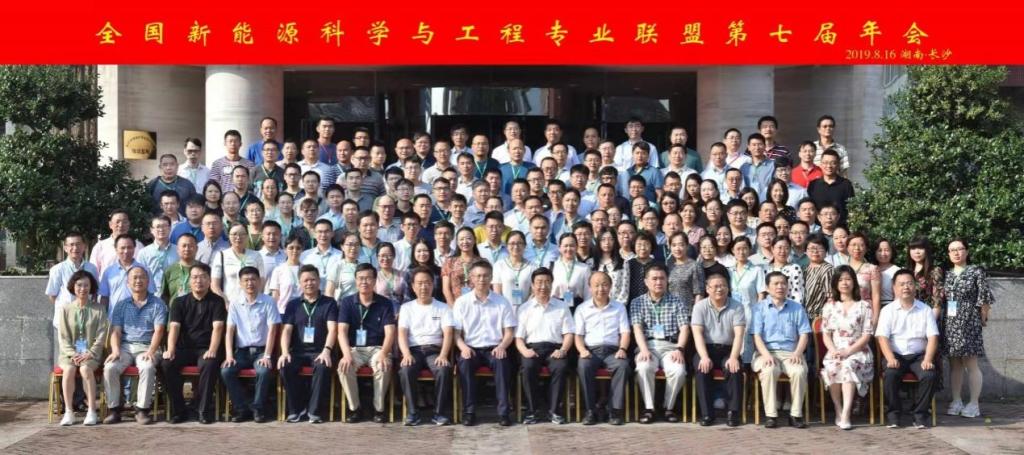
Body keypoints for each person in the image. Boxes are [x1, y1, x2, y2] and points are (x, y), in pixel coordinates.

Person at [452, 260, 517, 426]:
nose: (482, 279)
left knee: (502, 362)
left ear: (491, 277)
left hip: (494, 348)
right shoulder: (461, 302)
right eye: (478, 276)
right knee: (465, 363)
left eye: (486, 276)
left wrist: (502, 346)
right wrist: (463, 347)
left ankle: (503, 413)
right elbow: (456, 334)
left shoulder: (502, 302)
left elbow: (509, 332)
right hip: (470, 348)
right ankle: (469, 412)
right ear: (471, 278)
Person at [161, 263, 226, 424]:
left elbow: (218, 328)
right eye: (195, 277)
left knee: (209, 363)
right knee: (167, 363)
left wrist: (212, 349)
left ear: (209, 280)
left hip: (206, 348)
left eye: (203, 277)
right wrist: (170, 349)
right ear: (189, 280)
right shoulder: (179, 302)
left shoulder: (217, 301)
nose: (199, 281)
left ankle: (202, 410)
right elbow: (174, 328)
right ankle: (179, 410)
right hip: (184, 348)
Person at [876, 269, 940, 429]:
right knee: (890, 374)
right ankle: (894, 414)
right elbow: (882, 337)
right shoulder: (887, 310)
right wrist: (890, 358)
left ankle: (920, 415)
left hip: (919, 356)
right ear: (894, 288)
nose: (906, 287)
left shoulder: (925, 310)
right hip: (896, 355)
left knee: (929, 375)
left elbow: (933, 337)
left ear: (915, 286)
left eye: (909, 283)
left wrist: (928, 359)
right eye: (902, 284)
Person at [102, 266, 166, 425]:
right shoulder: (121, 305)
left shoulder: (158, 304)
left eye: (142, 277)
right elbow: (116, 332)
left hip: (147, 346)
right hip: (125, 347)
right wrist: (115, 350)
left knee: (147, 367)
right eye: (134, 278)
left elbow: (159, 331)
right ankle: (114, 409)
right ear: (128, 282)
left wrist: (151, 351)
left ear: (148, 281)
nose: (138, 280)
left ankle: (142, 410)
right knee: (110, 367)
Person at [750, 271, 811, 429]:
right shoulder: (759, 308)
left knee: (799, 372)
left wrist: (798, 353)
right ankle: (771, 415)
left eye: (783, 283)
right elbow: (756, 336)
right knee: (769, 370)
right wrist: (766, 355)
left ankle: (795, 415)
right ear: (767, 287)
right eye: (776, 284)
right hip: (766, 352)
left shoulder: (797, 308)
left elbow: (804, 334)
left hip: (791, 353)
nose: (780, 287)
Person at [337, 264, 397, 423]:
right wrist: (346, 355)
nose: (364, 282)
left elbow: (390, 332)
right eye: (361, 278)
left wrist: (384, 353)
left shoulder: (385, 303)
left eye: (368, 278)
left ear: (375, 280)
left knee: (383, 365)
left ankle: (379, 409)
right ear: (356, 281)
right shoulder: (347, 302)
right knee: (344, 367)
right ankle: (354, 408)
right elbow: (341, 332)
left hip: (378, 349)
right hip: (355, 349)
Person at [630, 263, 689, 424]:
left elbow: (684, 328)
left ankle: (668, 407)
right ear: (646, 281)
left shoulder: (677, 301)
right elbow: (637, 329)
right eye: (654, 278)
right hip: (647, 346)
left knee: (678, 370)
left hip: (671, 347)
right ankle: (649, 408)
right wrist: (643, 350)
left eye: (662, 278)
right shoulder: (637, 302)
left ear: (667, 280)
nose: (658, 282)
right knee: (643, 367)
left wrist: (679, 349)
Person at [278, 265, 339, 423]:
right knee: (285, 366)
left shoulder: (329, 303)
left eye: (313, 279)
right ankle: (296, 409)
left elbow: (333, 329)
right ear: (300, 283)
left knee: (322, 366)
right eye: (305, 280)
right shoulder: (293, 305)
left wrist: (327, 351)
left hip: (320, 351)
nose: (309, 283)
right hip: (298, 352)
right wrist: (285, 352)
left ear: (319, 281)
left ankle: (314, 411)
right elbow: (287, 331)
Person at [515, 267, 575, 424]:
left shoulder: (562, 306)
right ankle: (532, 411)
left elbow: (569, 333)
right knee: (528, 367)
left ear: (552, 284)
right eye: (539, 282)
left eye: (547, 282)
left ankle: (554, 411)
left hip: (555, 348)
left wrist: (563, 350)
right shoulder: (524, 308)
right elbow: (519, 338)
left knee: (560, 367)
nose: (543, 286)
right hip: (531, 348)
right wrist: (524, 351)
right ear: (532, 285)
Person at [943, 239, 994, 419]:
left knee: (971, 363)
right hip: (950, 322)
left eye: (960, 249)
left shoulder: (976, 271)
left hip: (969, 321)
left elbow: (984, 298)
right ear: (948, 254)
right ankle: (956, 400)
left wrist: (983, 318)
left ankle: (974, 403)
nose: (956, 253)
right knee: (955, 364)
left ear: (967, 251)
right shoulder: (947, 274)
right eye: (952, 250)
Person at [398, 267, 455, 426]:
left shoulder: (443, 307)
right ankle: (413, 413)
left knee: (443, 369)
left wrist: (443, 355)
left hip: (434, 351)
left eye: (427, 283)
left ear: (433, 284)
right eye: (420, 283)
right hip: (414, 351)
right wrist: (406, 354)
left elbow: (448, 333)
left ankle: (439, 413)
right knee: (406, 370)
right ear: (413, 286)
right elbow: (402, 334)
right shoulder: (406, 308)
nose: (424, 287)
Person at [222, 266, 280, 423]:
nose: (250, 283)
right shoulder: (235, 303)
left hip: (262, 351)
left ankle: (258, 408)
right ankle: (241, 408)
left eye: (253, 279)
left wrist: (267, 355)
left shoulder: (268, 301)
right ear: (240, 283)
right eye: (246, 280)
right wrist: (229, 355)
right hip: (241, 352)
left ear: (259, 281)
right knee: (226, 371)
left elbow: (273, 330)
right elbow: (229, 331)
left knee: (264, 370)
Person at [821, 265, 875, 430]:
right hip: (836, 350)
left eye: (848, 279)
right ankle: (838, 409)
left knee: (847, 365)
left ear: (854, 282)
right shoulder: (829, 306)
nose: (844, 283)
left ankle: (846, 413)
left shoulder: (864, 306)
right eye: (840, 280)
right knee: (832, 367)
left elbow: (866, 335)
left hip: (858, 351)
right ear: (835, 283)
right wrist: (834, 351)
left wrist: (848, 351)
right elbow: (826, 334)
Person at [574, 272, 631, 425]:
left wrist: (623, 349)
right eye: (596, 285)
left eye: (605, 285)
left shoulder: (619, 307)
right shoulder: (582, 309)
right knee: (583, 366)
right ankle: (590, 411)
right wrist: (582, 350)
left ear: (610, 286)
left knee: (623, 366)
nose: (601, 289)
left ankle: (614, 411)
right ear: (590, 288)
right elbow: (578, 335)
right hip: (590, 351)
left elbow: (625, 332)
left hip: (613, 351)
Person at [690, 272, 746, 426]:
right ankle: (707, 414)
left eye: (723, 286)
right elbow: (697, 334)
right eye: (715, 286)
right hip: (706, 348)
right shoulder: (699, 307)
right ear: (707, 289)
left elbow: (739, 335)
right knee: (702, 368)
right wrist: (704, 357)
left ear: (728, 288)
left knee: (734, 369)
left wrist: (733, 357)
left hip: (728, 349)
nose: (719, 289)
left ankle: (733, 413)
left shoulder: (737, 306)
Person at [56, 271, 108, 426]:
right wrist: (73, 353)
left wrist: (90, 353)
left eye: (86, 285)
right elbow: (63, 336)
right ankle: (69, 412)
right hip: (69, 354)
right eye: (79, 285)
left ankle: (92, 411)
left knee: (85, 369)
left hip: (92, 354)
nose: (82, 289)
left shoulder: (99, 309)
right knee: (69, 370)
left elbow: (101, 335)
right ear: (73, 286)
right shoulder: (65, 309)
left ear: (91, 287)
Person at [726, 236, 765, 365]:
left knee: (748, 341)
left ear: (749, 250)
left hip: (750, 311)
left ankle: (747, 368)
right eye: (738, 249)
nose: (741, 252)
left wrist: (758, 314)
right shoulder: (728, 271)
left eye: (744, 248)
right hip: (731, 312)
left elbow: (761, 294)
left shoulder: (757, 270)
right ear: (733, 250)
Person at [47, 233, 99, 328]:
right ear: (65, 248)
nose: (75, 248)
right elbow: (52, 295)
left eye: (78, 244)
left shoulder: (92, 268)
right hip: (64, 322)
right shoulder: (57, 269)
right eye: (71, 245)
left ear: (84, 247)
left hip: (87, 321)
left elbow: (94, 292)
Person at [212, 223, 265, 300]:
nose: (238, 237)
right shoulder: (221, 255)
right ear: (229, 236)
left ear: (247, 236)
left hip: (253, 302)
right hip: (229, 302)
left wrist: (255, 299)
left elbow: (261, 281)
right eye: (234, 234)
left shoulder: (256, 255)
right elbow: (214, 286)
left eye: (242, 234)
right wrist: (225, 302)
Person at [89, 210, 143, 277]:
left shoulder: (138, 246)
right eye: (117, 222)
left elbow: (143, 269)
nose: (121, 225)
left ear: (129, 224)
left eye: (124, 222)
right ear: (110, 225)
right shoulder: (100, 247)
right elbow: (92, 272)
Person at [807, 149, 855, 224]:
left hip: (840, 228)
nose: (829, 166)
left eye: (833, 163)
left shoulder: (846, 184)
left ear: (838, 165)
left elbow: (852, 208)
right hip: (818, 228)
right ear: (820, 164)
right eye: (825, 163)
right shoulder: (813, 185)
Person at [492, 231, 537, 308]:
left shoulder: (533, 267)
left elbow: (533, 292)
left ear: (525, 245)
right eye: (512, 243)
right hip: (504, 309)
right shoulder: (499, 265)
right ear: (506, 246)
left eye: (519, 243)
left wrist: (525, 308)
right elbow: (497, 293)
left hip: (526, 309)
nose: (516, 247)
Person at [137, 215, 178, 296]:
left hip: (174, 295)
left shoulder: (178, 250)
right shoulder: (144, 253)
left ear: (170, 228)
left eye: (164, 226)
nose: (161, 229)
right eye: (158, 227)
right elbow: (139, 275)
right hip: (152, 296)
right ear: (151, 230)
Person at [442, 227, 481, 306]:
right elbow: (446, 289)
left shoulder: (482, 262)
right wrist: (453, 308)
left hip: (478, 305)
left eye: (468, 238)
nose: (465, 242)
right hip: (456, 305)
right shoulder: (450, 262)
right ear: (457, 242)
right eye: (461, 239)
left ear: (474, 240)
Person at [848, 232, 882, 324]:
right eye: (853, 245)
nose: (857, 248)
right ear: (847, 247)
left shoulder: (873, 269)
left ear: (866, 248)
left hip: (865, 313)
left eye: (861, 245)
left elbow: (876, 295)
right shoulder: (842, 268)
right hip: (845, 313)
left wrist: (875, 318)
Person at [267, 233, 305, 313]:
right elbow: (275, 296)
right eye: (291, 248)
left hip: (303, 312)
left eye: (298, 248)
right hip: (283, 312)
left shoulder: (306, 269)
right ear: (285, 250)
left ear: (302, 250)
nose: (294, 251)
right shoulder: (278, 270)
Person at [551, 233, 591, 308]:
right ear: (559, 248)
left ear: (576, 247)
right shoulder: (552, 266)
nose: (569, 249)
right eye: (565, 246)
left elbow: (588, 294)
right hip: (555, 306)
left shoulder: (584, 268)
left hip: (577, 307)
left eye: (572, 246)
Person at [667, 231, 705, 308]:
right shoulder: (669, 266)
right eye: (674, 245)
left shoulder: (694, 266)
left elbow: (699, 293)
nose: (677, 248)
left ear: (687, 246)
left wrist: (696, 312)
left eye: (681, 245)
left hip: (688, 310)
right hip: (670, 310)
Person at [803, 235, 835, 321]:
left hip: (819, 317)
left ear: (826, 251)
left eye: (820, 248)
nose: (815, 252)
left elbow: (831, 297)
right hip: (805, 316)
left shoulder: (827, 269)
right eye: (811, 249)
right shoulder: (806, 269)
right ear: (805, 251)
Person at [594, 228, 629, 304]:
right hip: (595, 306)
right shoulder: (591, 263)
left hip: (617, 307)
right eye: (603, 239)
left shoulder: (623, 263)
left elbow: (624, 290)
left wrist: (615, 307)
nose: (607, 243)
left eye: (611, 239)